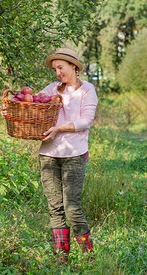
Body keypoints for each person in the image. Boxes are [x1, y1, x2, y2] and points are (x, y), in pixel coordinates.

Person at [37, 48, 98, 263]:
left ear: (74, 66)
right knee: (55, 208)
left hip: (74, 154)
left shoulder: (87, 90)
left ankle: (89, 256)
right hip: (48, 155)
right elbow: (33, 104)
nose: (57, 73)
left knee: (72, 209)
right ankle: (61, 259)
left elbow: (86, 121)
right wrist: (10, 110)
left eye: (60, 67)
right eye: (54, 69)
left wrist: (58, 128)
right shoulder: (52, 89)